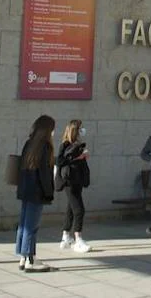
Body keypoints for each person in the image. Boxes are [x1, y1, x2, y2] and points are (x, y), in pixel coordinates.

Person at [15, 115, 56, 273]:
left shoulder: (29, 144)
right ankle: (29, 259)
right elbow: (45, 174)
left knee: (24, 223)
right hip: (37, 191)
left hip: (26, 190)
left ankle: (23, 256)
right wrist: (49, 192)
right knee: (31, 226)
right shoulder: (45, 147)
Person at [56, 119, 92, 253]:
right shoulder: (65, 144)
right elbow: (60, 160)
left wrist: (83, 156)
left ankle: (66, 237)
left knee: (71, 208)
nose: (83, 130)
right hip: (69, 181)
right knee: (79, 210)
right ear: (75, 130)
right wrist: (79, 157)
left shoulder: (78, 144)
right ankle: (78, 239)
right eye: (80, 128)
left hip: (78, 180)